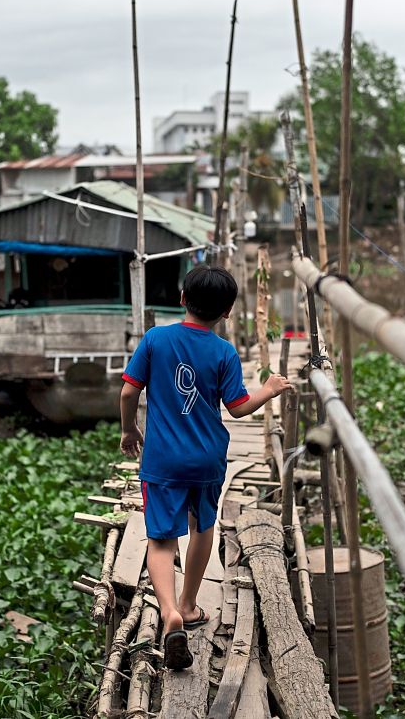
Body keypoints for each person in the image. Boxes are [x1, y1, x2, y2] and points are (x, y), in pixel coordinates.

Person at [119, 264, 291, 670]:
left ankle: (169, 614)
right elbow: (238, 407)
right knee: (202, 527)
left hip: (162, 459)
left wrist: (129, 431)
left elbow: (128, 392)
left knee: (161, 539)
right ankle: (190, 604)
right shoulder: (224, 352)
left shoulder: (155, 339)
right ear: (227, 313)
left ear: (182, 299)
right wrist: (268, 390)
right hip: (207, 458)